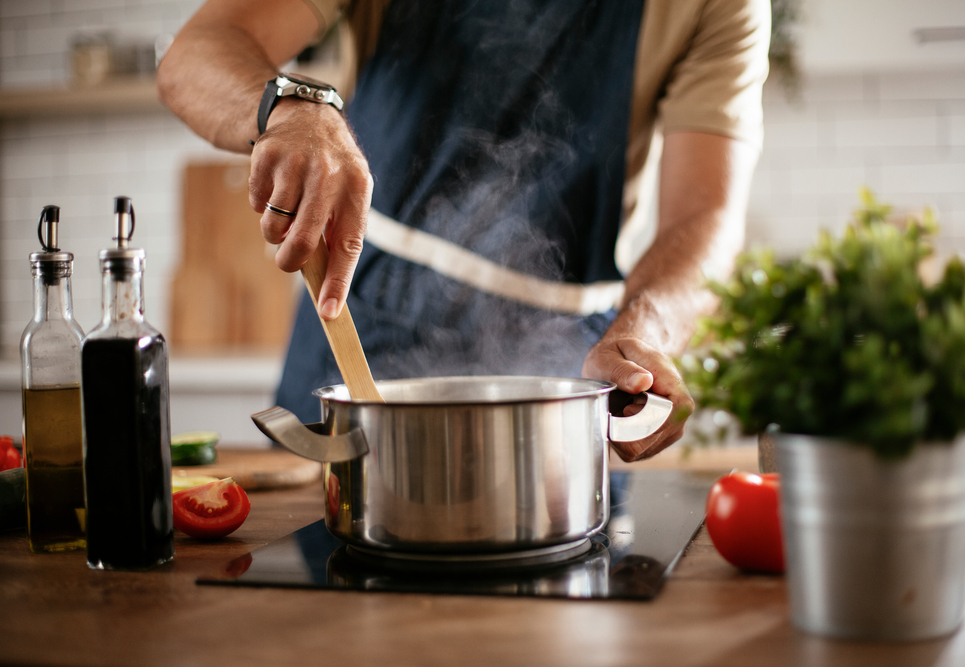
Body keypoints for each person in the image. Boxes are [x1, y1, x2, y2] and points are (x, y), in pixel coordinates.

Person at [157, 0, 769, 462]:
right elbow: (197, 52)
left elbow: (705, 215)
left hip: (567, 369)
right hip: (360, 331)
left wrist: (650, 331)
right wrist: (288, 108)